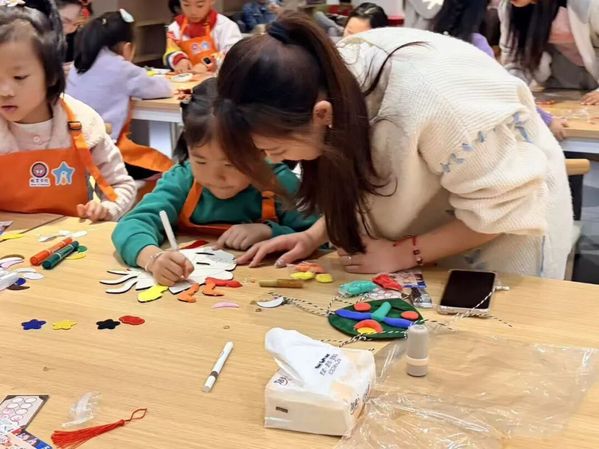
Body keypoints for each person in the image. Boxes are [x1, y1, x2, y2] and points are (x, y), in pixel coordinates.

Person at [212, 13, 573, 279]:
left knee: (489, 342)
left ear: (322, 114)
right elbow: (362, 166)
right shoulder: (321, 87)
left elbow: (503, 209)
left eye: (276, 150)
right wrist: (311, 236)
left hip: (504, 224)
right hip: (422, 235)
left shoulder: (434, 101)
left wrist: (403, 254)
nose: (274, 160)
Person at [112, 78, 317, 286]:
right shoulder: (183, 180)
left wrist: (270, 232)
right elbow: (132, 224)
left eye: (230, 164)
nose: (214, 176)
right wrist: (153, 258)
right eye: (200, 161)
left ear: (262, 151)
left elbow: (321, 241)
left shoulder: (280, 183)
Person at [0, 0, 136, 221]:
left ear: (51, 74)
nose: (5, 91)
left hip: (71, 238)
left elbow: (120, 184)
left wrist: (107, 209)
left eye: (19, 77)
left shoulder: (83, 122)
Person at [432, 0, 566, 140]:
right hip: (471, 135)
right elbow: (505, 90)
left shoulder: (430, 42)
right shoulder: (476, 45)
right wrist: (547, 120)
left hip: (438, 132)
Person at [67, 10, 173, 179]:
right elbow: (163, 89)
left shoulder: (78, 65)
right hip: (107, 154)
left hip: (74, 151)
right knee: (171, 170)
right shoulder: (121, 68)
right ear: (127, 48)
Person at [499, 0, 599, 105]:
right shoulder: (509, 7)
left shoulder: (589, 4)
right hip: (562, 83)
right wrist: (515, 91)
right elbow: (514, 61)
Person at [164, 0, 242, 73]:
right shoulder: (174, 28)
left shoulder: (226, 26)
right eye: (186, 5)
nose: (193, 12)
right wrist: (179, 60)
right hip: (186, 80)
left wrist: (207, 65)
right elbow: (171, 51)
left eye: (200, 6)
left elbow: (233, 55)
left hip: (218, 80)